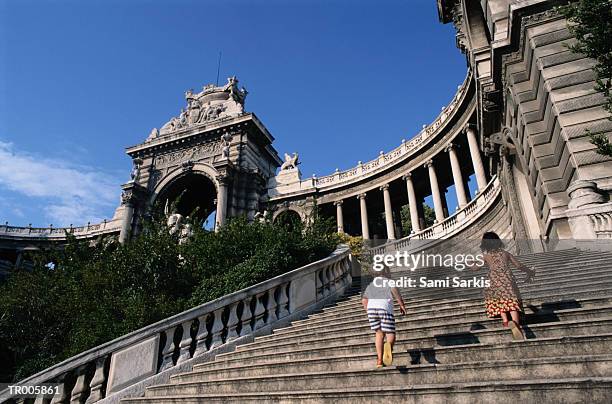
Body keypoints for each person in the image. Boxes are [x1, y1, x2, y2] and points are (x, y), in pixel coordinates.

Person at [479, 232, 535, 340]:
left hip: (493, 280)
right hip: (507, 279)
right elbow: (519, 265)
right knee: (512, 301)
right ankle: (515, 323)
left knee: (498, 299)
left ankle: (505, 321)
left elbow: (476, 267)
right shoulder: (506, 253)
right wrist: (529, 271)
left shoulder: (486, 257)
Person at [361, 266, 406, 368]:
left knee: (379, 333)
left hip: (371, 310)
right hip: (384, 308)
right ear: (386, 272)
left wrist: (368, 310)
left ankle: (379, 360)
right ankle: (388, 346)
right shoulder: (389, 281)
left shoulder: (371, 285)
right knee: (390, 333)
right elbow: (395, 291)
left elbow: (364, 300)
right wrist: (401, 304)